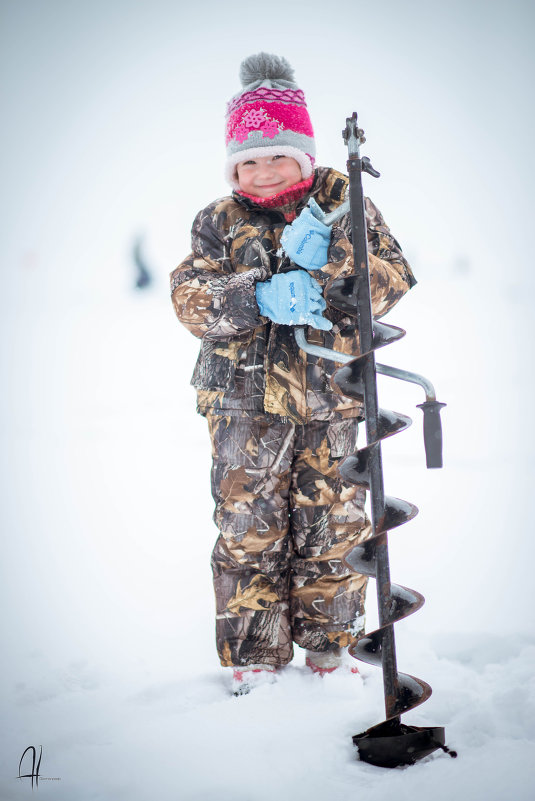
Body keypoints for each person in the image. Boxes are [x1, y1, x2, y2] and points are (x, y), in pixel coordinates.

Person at [170, 53, 416, 695]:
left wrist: (334, 268)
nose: (263, 170)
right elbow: (190, 298)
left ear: (304, 156)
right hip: (242, 406)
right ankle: (255, 659)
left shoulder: (345, 202)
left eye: (277, 156)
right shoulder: (217, 221)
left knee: (333, 527)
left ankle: (330, 654)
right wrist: (256, 295)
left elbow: (390, 278)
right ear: (232, 167)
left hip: (332, 399)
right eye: (248, 161)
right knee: (248, 528)